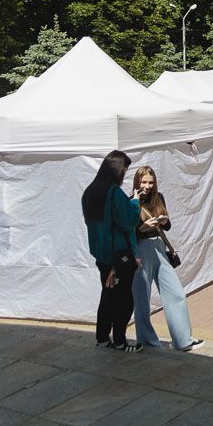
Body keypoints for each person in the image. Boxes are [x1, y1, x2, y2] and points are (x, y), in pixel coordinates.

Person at [130, 166, 202, 352]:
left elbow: (167, 225)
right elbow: (126, 233)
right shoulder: (130, 202)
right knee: (142, 298)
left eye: (150, 182)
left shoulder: (158, 197)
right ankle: (147, 341)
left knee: (176, 293)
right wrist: (142, 229)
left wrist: (162, 221)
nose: (147, 186)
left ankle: (183, 340)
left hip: (159, 247)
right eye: (144, 182)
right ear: (137, 182)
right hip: (140, 250)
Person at [81, 150, 141, 352]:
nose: (125, 174)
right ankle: (120, 341)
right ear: (118, 169)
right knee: (124, 300)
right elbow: (128, 220)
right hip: (120, 256)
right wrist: (134, 202)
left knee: (107, 296)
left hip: (102, 255)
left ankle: (102, 338)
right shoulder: (114, 193)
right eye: (125, 169)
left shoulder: (89, 192)